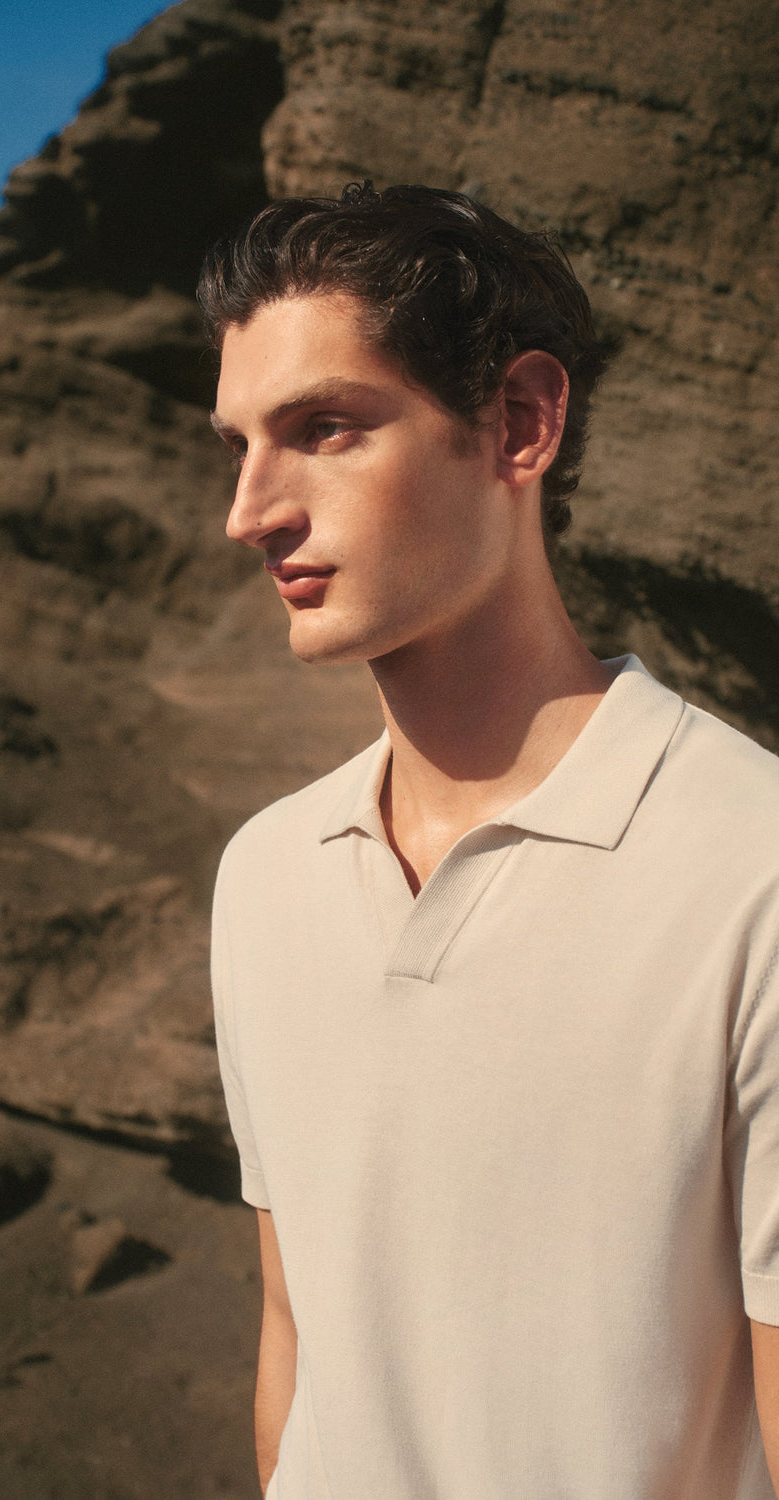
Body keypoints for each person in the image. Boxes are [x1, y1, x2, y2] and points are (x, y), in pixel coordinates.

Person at [197, 182, 779, 1499]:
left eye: (324, 429)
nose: (250, 509)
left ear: (520, 422)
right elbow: (299, 1340)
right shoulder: (265, 875)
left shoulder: (752, 872)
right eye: (238, 444)